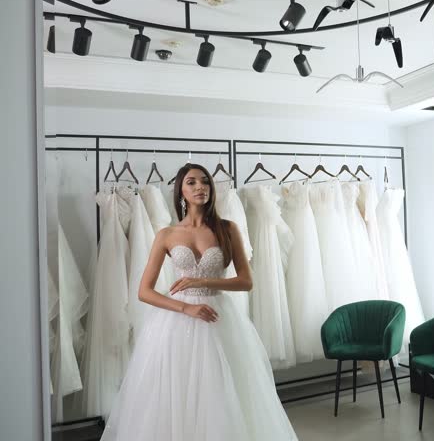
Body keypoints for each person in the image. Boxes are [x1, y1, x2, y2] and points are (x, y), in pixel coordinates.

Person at [101, 164, 298, 441]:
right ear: (181, 191)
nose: (200, 187)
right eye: (191, 182)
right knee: (174, 391)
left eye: (204, 182)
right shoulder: (166, 235)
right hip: (177, 321)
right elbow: (144, 291)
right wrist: (186, 307)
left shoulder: (227, 229)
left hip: (218, 317)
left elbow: (246, 281)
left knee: (219, 390)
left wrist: (203, 282)